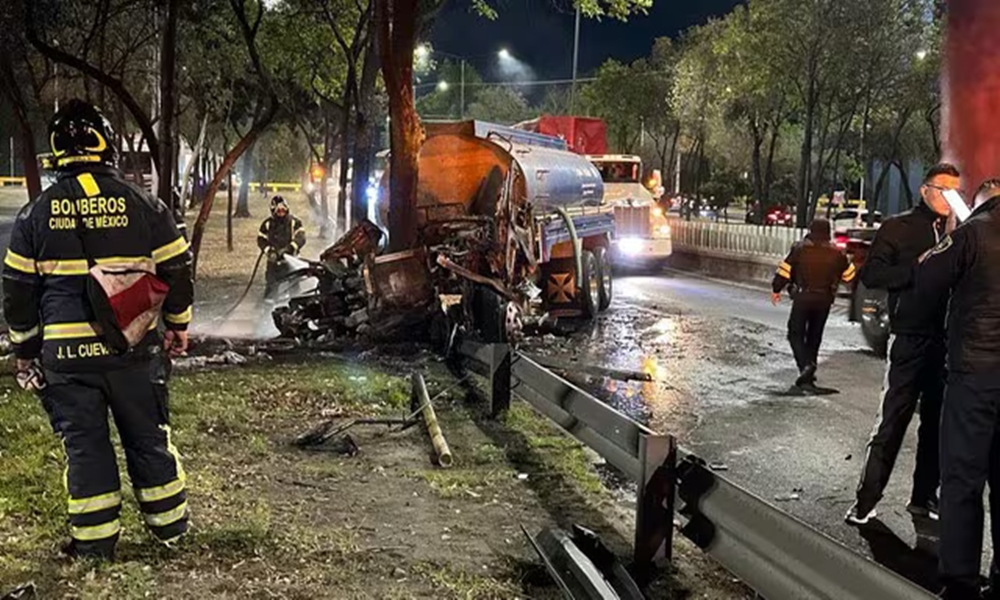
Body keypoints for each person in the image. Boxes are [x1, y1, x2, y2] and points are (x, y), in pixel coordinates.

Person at [2, 99, 193, 559]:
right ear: (106, 146)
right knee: (147, 436)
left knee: (85, 446)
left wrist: (24, 350)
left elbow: (18, 293)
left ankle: (93, 543)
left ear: (56, 153)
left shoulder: (34, 215)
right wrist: (177, 325)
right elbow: (178, 269)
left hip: (66, 360)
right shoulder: (145, 205)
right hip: (132, 349)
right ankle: (170, 531)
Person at [844, 163, 960, 527]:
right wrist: (916, 268)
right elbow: (873, 275)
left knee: (937, 426)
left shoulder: (961, 232)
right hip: (909, 340)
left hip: (946, 344)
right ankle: (865, 502)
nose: (949, 199)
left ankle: (924, 496)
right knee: (892, 421)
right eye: (943, 190)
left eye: (955, 191)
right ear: (925, 190)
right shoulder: (899, 227)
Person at [902, 179, 1000, 600]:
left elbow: (926, 278)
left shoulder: (972, 233)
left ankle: (960, 581)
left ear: (978, 200)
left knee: (961, 478)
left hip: (975, 374)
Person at [771, 218, 856, 388]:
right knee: (814, 336)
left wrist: (776, 289)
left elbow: (785, 271)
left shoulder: (799, 249)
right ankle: (809, 375)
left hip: (803, 298)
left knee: (795, 333)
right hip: (824, 300)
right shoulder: (837, 253)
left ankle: (805, 366)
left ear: (811, 230)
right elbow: (849, 277)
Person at [257, 195, 306, 300]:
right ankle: (267, 311)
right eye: (278, 210)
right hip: (273, 264)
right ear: (273, 211)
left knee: (294, 290)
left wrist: (289, 248)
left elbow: (301, 238)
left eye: (283, 210)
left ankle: (295, 310)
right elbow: (261, 239)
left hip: (291, 263)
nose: (281, 212)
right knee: (271, 289)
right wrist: (270, 251)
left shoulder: (295, 223)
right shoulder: (267, 224)